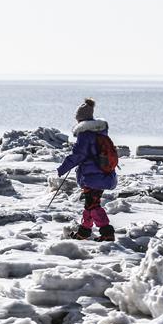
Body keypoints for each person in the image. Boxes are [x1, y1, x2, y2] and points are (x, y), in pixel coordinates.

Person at [56, 98, 118, 241]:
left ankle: (107, 233)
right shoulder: (101, 132)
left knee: (93, 206)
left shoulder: (85, 135)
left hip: (92, 177)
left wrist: (62, 169)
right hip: (103, 174)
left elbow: (78, 155)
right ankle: (84, 232)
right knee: (90, 204)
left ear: (80, 120)